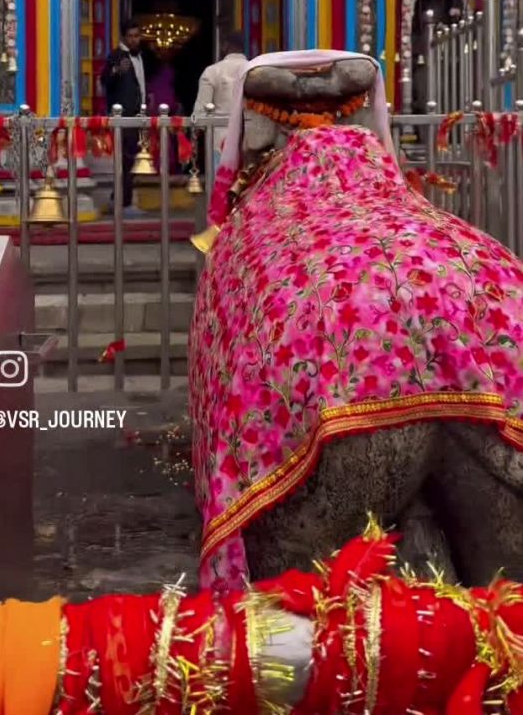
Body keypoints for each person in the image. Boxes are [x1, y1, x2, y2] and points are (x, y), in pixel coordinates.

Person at [188, 49, 523, 593]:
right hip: (487, 363)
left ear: (254, 128)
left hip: (341, 383)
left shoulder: (253, 232)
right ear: (367, 117)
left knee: (313, 616)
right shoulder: (451, 237)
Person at [101, 19, 147, 209]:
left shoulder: (140, 57)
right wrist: (117, 71)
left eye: (137, 36)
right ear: (123, 37)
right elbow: (105, 80)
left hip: (137, 116)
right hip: (123, 117)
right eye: (131, 36)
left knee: (133, 159)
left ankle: (121, 198)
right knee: (125, 159)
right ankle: (122, 201)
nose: (134, 39)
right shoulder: (116, 55)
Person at [193, 31, 248, 165]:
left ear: (225, 46)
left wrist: (195, 137)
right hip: (249, 141)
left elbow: (199, 115)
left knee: (220, 177)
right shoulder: (254, 70)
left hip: (220, 143)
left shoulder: (212, 72)